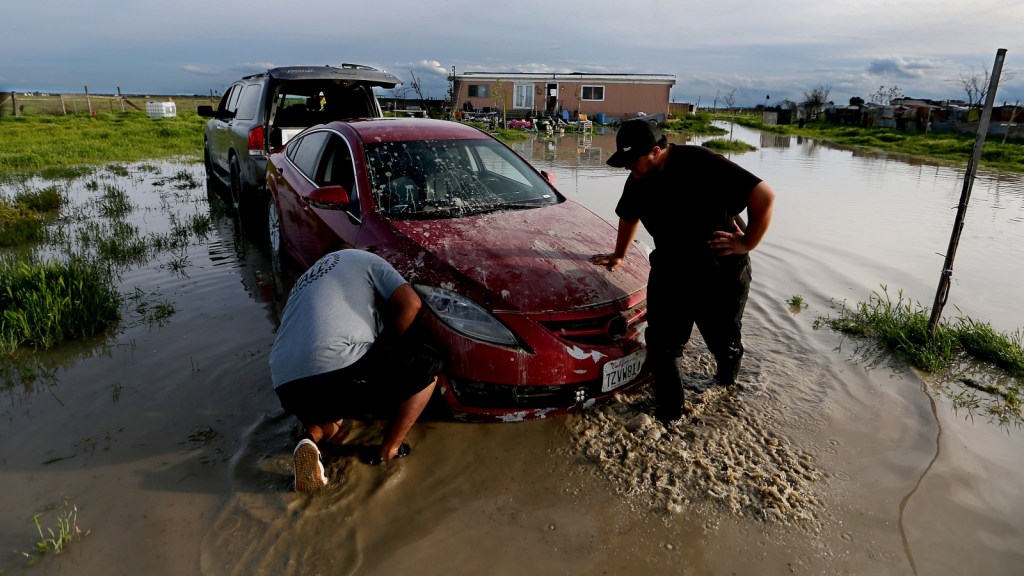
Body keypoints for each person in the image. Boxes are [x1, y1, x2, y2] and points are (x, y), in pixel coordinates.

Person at [591, 119, 775, 424]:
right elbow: (628, 215)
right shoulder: (638, 176)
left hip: (720, 272)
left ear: (655, 151)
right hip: (672, 269)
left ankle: (726, 387)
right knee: (663, 345)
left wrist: (748, 242)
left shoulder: (701, 162)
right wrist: (619, 255)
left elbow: (764, 195)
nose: (627, 168)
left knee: (723, 341)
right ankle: (669, 416)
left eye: (631, 160)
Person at [269, 248, 442, 491]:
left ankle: (309, 441)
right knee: (429, 364)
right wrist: (390, 349)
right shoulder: (367, 259)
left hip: (286, 385)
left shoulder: (307, 278)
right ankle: (389, 450)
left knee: (335, 410)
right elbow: (410, 303)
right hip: (338, 368)